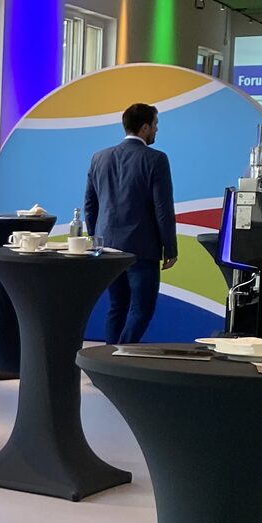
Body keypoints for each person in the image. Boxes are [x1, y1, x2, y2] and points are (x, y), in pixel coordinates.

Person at [84, 101, 177, 345]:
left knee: (117, 306)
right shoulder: (156, 159)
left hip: (107, 247)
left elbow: (90, 205)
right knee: (142, 309)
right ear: (145, 128)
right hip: (142, 249)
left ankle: (108, 357)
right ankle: (120, 355)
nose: (157, 130)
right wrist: (170, 248)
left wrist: (96, 239)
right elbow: (163, 208)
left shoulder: (99, 158)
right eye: (155, 125)